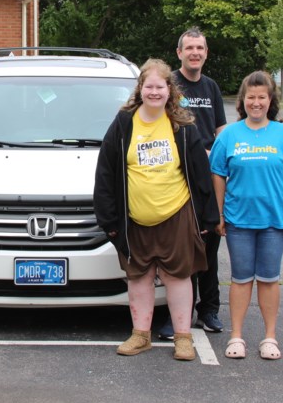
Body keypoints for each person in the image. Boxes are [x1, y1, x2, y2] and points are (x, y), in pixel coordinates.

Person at [94, 59, 219, 361]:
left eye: (159, 87)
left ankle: (183, 337)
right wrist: (108, 219)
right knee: (139, 278)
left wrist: (208, 217)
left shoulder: (183, 126)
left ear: (169, 90)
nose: (154, 92)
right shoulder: (124, 124)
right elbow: (106, 172)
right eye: (148, 86)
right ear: (140, 89)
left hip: (175, 214)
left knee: (179, 277)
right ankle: (141, 335)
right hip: (134, 219)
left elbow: (201, 174)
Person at [211, 71, 283, 360]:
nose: (256, 102)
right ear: (243, 101)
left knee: (268, 278)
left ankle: (270, 337)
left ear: (270, 99)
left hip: (274, 221)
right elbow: (217, 175)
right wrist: (218, 213)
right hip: (239, 219)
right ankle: (236, 336)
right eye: (251, 97)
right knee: (240, 279)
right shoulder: (229, 135)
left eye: (261, 97)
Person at [159, 28, 227, 340]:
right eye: (189, 48)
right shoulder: (169, 84)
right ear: (179, 53)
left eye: (200, 48)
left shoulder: (211, 86)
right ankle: (179, 314)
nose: (195, 53)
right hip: (178, 175)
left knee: (210, 242)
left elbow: (221, 129)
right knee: (183, 245)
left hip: (210, 178)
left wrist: (220, 153)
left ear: (206, 53)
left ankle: (209, 309)